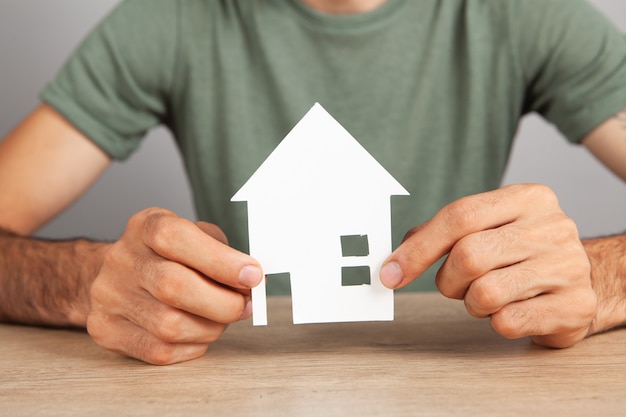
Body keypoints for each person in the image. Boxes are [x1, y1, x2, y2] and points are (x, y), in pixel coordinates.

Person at [0, 0, 625, 365]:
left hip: (464, 376)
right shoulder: (172, 17)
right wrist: (88, 282)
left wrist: (601, 277)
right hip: (250, 386)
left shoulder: (525, 13)